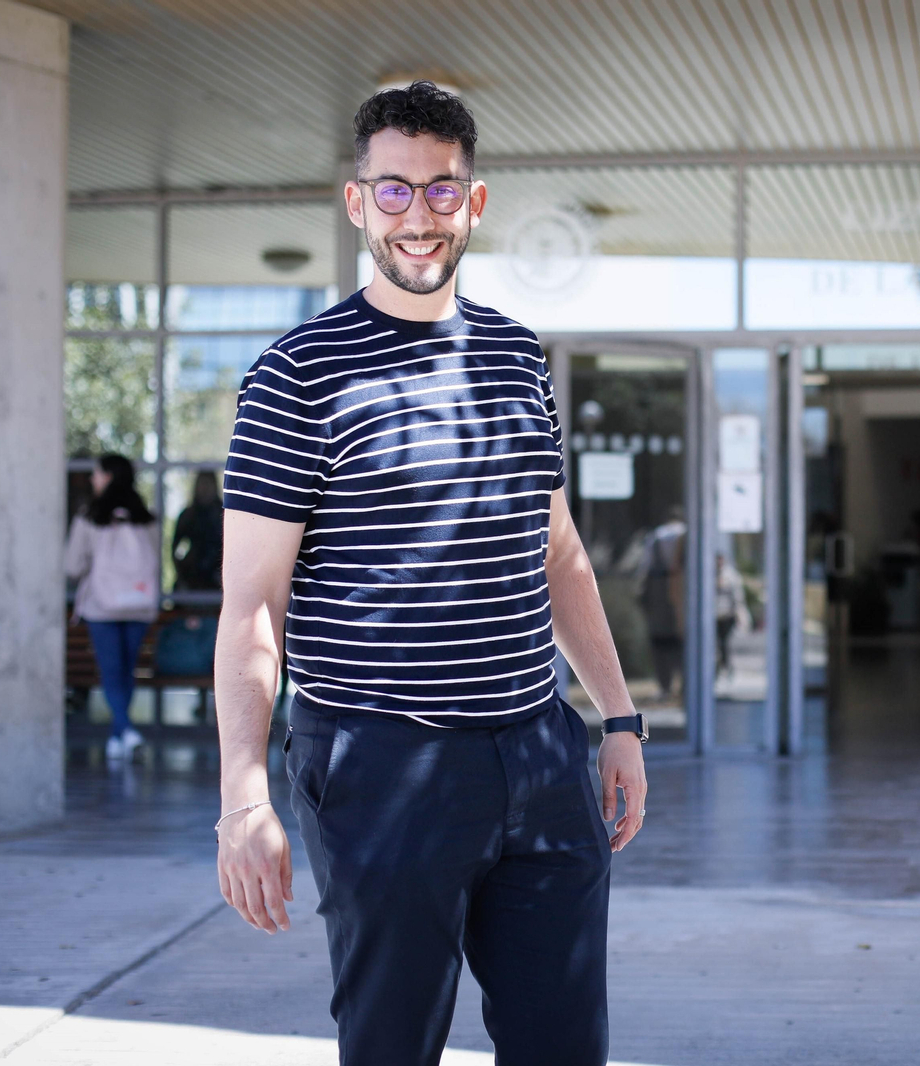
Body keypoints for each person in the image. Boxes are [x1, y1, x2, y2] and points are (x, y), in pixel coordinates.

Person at [213, 81, 647, 1066]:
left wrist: (618, 719)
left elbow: (558, 553)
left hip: (540, 753)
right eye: (395, 190)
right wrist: (243, 794)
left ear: (474, 203)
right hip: (382, 763)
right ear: (357, 201)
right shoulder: (297, 373)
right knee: (393, 1049)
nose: (420, 215)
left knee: (565, 1047)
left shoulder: (516, 355)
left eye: (442, 190)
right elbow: (251, 606)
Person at [64, 453, 161, 760]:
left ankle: (125, 729)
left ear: (107, 477)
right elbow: (156, 562)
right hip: (139, 605)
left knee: (111, 671)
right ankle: (119, 736)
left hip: (101, 607)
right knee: (126, 671)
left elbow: (72, 566)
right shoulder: (147, 517)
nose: (92, 479)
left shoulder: (89, 517)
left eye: (96, 473)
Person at [637, 508, 687, 696]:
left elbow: (645, 568)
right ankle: (686, 685)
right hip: (685, 591)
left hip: (659, 594)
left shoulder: (656, 537)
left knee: (660, 642)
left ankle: (665, 686)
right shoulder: (687, 534)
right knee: (684, 641)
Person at [171, 470, 223, 590]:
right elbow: (175, 548)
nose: (205, 488)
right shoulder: (188, 515)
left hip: (218, 578)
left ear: (215, 486)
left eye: (208, 484)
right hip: (192, 578)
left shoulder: (223, 515)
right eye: (202, 483)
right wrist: (182, 572)